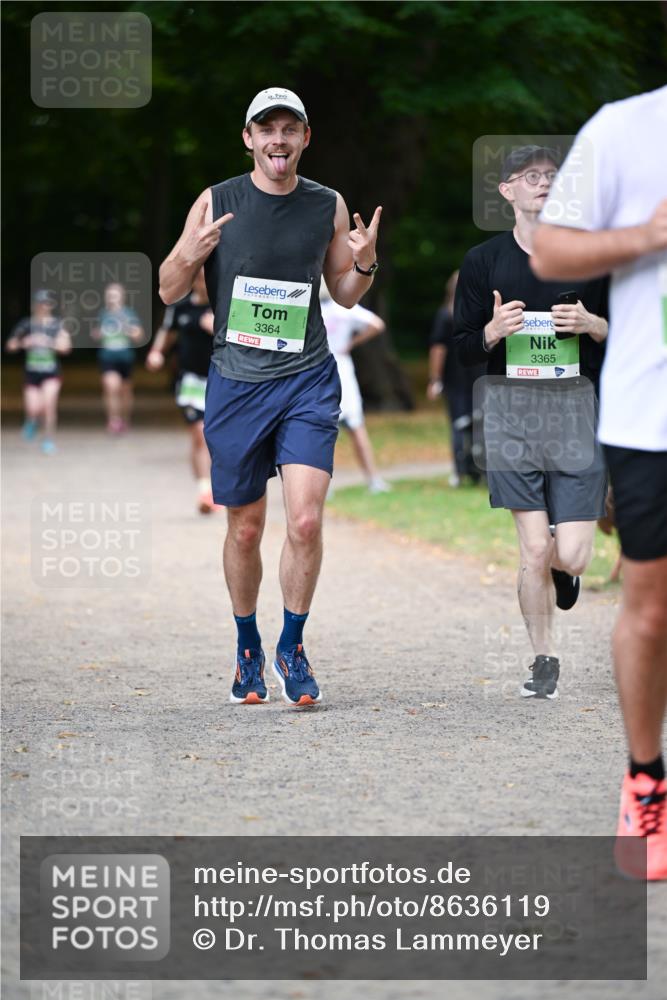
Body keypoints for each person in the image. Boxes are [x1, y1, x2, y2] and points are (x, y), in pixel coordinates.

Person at [158, 87, 382, 707]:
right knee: (246, 528)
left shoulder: (327, 205)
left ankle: (293, 644)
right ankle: (247, 646)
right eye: (267, 129)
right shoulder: (216, 200)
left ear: (306, 137)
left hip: (307, 377)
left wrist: (364, 264)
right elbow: (170, 289)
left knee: (306, 519)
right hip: (235, 382)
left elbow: (342, 293)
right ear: (249, 138)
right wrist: (190, 253)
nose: (278, 140)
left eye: (290, 129)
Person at [532, 85, 667, 880]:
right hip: (653, 410)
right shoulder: (623, 129)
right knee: (650, 604)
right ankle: (645, 781)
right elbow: (550, 250)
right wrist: (647, 233)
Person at [454, 145, 609, 701]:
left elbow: (624, 332)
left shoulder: (587, 258)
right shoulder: (484, 261)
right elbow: (462, 349)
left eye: (552, 176)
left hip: (574, 414)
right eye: (530, 176)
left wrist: (592, 323)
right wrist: (493, 332)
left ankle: (566, 575)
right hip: (512, 416)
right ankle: (544, 658)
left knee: (570, 554)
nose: (544, 183)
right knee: (534, 552)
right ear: (507, 191)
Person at [147, 267, 217, 514]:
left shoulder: (225, 307)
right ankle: (204, 491)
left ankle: (219, 488)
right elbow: (167, 332)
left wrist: (218, 328)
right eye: (199, 279)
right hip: (190, 382)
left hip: (220, 382)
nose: (203, 284)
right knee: (200, 433)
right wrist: (157, 352)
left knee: (216, 438)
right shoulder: (180, 307)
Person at [319, 282, 391, 495]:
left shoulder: (314, 310)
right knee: (356, 426)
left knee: (322, 430)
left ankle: (323, 483)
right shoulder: (345, 310)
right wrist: (351, 343)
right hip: (341, 367)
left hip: (318, 369)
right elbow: (377, 324)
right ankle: (373, 479)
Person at [428, 270, 485, 487]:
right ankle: (479, 470)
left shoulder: (445, 315)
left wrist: (435, 379)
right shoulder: (482, 315)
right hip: (479, 376)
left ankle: (460, 472)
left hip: (455, 378)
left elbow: (438, 350)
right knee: (481, 423)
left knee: (457, 424)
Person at [6, 289, 71, 454]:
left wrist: (48, 342)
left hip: (51, 373)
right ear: (35, 305)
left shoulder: (57, 325)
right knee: (33, 408)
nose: (43, 306)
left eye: (47, 303)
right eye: (40, 303)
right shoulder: (26, 324)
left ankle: (48, 441)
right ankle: (32, 421)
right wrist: (23, 343)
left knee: (49, 406)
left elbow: (66, 347)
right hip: (32, 374)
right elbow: (10, 345)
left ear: (51, 306)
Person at [92, 282, 144, 433]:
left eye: (115, 295)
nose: (112, 298)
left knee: (125, 391)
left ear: (122, 297)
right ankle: (113, 420)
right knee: (110, 387)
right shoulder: (102, 314)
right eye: (109, 295)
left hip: (125, 357)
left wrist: (127, 328)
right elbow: (95, 334)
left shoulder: (129, 314)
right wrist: (98, 334)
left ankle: (125, 419)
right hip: (107, 357)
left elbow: (139, 336)